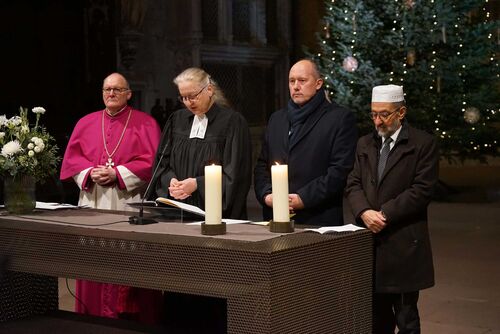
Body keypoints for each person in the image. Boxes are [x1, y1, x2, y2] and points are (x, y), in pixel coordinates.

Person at [60, 72, 162, 324]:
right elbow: (72, 160)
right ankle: (91, 317)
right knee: (93, 264)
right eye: (107, 89)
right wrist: (90, 172)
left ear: (129, 94)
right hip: (92, 202)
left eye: (117, 89)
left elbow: (153, 163)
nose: (111, 94)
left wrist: (117, 173)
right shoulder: (86, 122)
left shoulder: (146, 123)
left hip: (127, 202)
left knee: (127, 265)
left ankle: (131, 319)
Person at [345, 84, 439, 334]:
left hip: (404, 243)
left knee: (406, 318)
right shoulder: (364, 144)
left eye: (384, 114)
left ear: (401, 112)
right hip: (371, 244)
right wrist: (364, 211)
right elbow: (353, 183)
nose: (378, 121)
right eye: (373, 114)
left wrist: (385, 214)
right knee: (376, 318)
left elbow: (422, 190)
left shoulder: (422, 144)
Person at [254, 59, 357, 226]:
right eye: (291, 81)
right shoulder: (277, 119)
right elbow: (262, 165)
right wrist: (267, 195)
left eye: (302, 81)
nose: (295, 86)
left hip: (317, 218)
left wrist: (303, 198)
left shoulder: (339, 118)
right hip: (275, 217)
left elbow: (340, 170)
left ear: (318, 84)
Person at [152, 67, 252, 219]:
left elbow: (236, 175)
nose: (188, 103)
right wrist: (171, 181)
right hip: (177, 211)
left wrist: (198, 184)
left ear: (209, 90)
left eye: (192, 96)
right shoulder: (176, 120)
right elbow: (162, 163)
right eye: (183, 98)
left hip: (213, 214)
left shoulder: (232, 123)